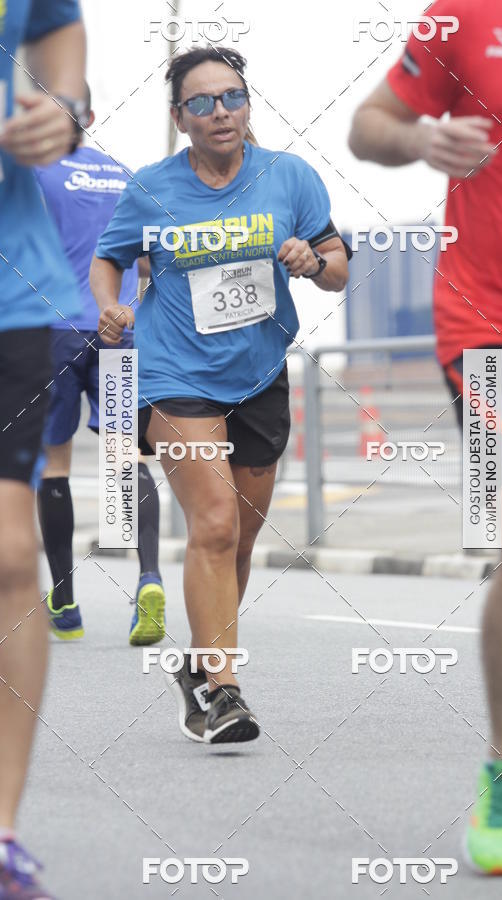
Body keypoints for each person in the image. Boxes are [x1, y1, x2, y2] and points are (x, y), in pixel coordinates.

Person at [348, 0, 502, 876]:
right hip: (491, 326)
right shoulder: (471, 15)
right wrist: (420, 143)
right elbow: (370, 125)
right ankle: (501, 769)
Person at [90, 46, 350, 744]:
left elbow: (338, 271)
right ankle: (222, 689)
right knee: (212, 524)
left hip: (259, 376)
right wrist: (110, 308)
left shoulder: (288, 176)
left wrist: (313, 259)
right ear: (180, 117)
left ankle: (199, 666)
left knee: (239, 541)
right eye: (201, 103)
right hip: (176, 375)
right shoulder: (150, 188)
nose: (220, 112)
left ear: (247, 102)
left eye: (231, 96)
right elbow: (107, 257)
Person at [0, 2, 86, 897]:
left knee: (8, 555)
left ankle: (1, 831)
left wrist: (64, 105)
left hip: (13, 292)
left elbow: (58, 22)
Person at [35, 86, 166, 646]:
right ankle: (149, 578)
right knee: (124, 457)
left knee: (55, 464)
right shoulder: (122, 173)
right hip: (118, 330)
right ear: (89, 115)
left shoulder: (29, 173)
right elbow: (147, 261)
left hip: (52, 330)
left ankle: (64, 599)